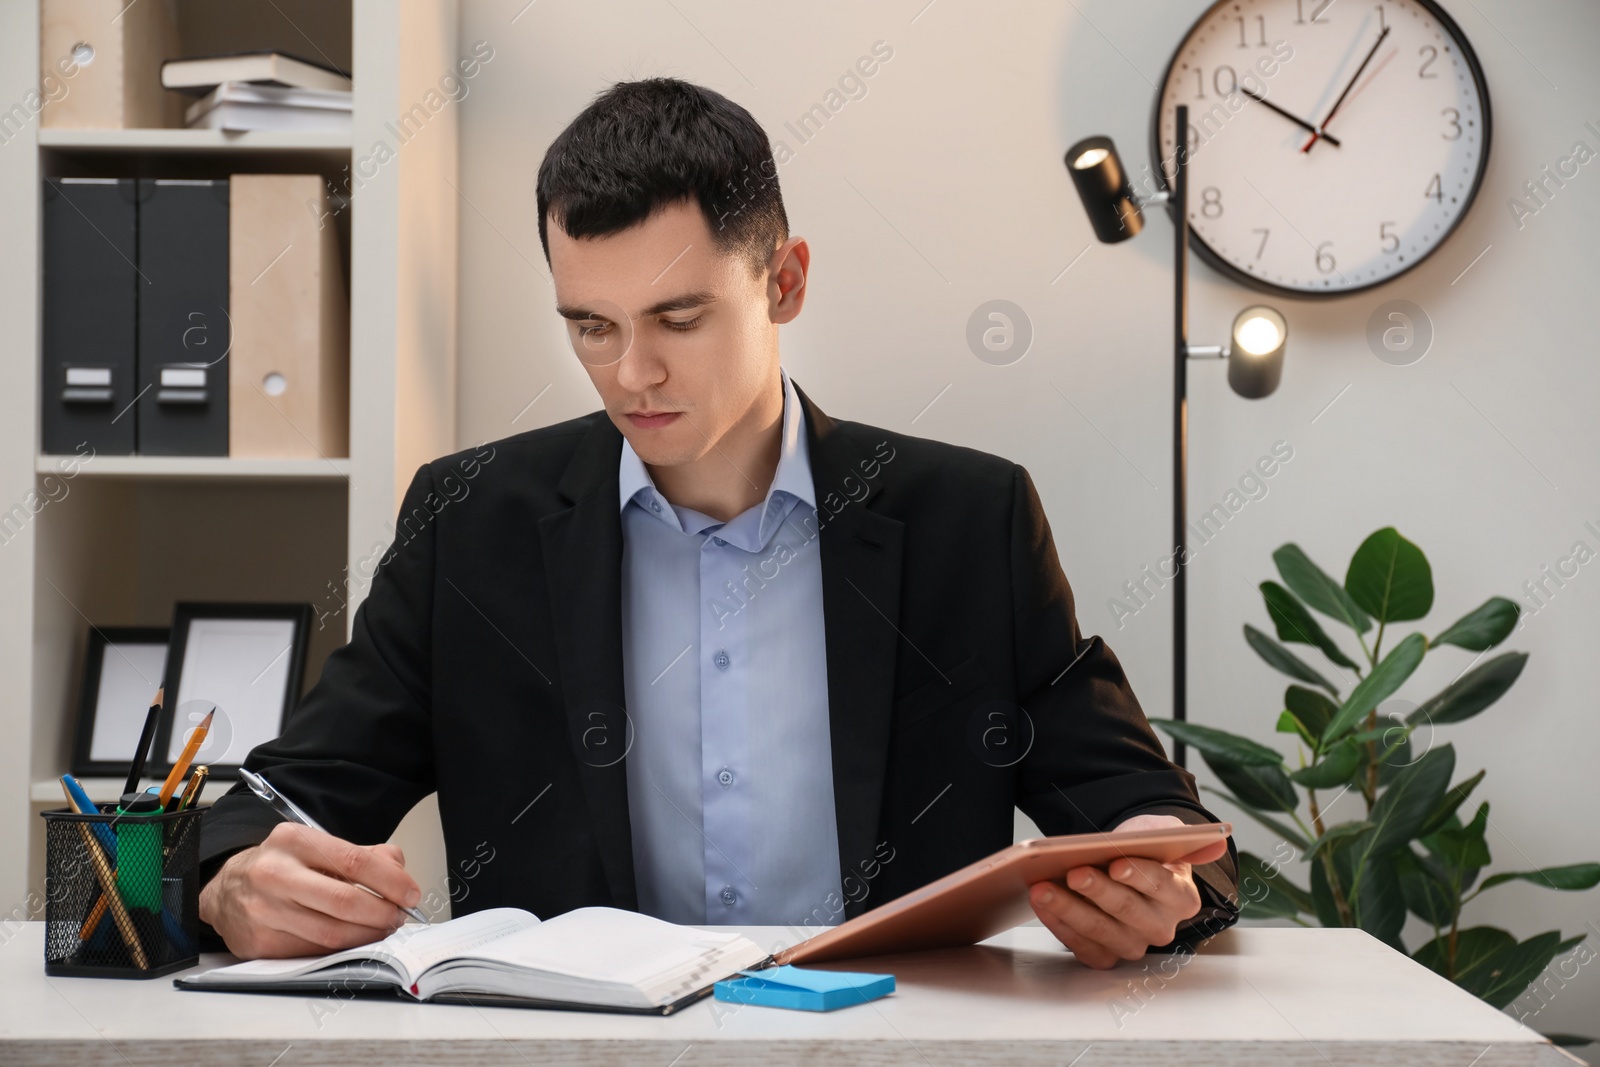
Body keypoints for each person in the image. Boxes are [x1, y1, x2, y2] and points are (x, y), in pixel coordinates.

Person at [197, 77, 1238, 967]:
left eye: (677, 318)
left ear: (782, 281)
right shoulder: (470, 523)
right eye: (591, 326)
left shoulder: (969, 518)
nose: (631, 373)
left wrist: (1160, 871)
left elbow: (1151, 814)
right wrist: (229, 878)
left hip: (887, 1044)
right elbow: (281, 800)